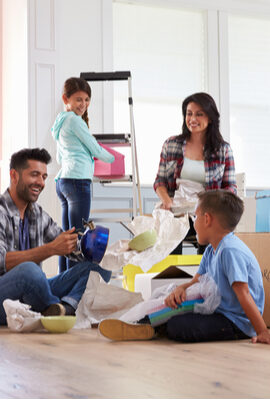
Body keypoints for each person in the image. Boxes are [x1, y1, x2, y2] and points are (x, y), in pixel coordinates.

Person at [98, 190, 270, 345]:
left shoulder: (230, 251)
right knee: (169, 300)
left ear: (207, 219)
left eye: (195, 217)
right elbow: (196, 280)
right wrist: (181, 288)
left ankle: (149, 326)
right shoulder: (212, 249)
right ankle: (141, 322)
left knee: (178, 326)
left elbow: (244, 293)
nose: (193, 224)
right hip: (220, 312)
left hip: (236, 323)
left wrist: (262, 331)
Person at [0, 148, 111, 325]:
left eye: (44, 177)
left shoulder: (36, 213)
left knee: (100, 268)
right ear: (14, 175)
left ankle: (63, 309)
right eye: (34, 175)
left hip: (33, 293)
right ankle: (54, 306)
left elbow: (67, 244)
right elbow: (1, 261)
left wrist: (96, 247)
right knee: (31, 271)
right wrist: (51, 249)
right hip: (4, 296)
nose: (40, 182)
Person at [153, 92, 237, 254]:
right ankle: (172, 278)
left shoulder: (223, 150)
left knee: (209, 249)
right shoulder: (171, 144)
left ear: (210, 118)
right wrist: (166, 201)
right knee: (168, 237)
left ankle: (206, 276)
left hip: (206, 213)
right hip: (176, 211)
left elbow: (230, 187)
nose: (192, 119)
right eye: (189, 113)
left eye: (199, 114)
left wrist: (214, 204)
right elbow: (160, 181)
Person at [52, 77, 115, 272]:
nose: (84, 104)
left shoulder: (61, 122)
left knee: (67, 238)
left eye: (87, 99)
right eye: (79, 99)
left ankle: (61, 284)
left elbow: (59, 157)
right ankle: (73, 290)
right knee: (78, 239)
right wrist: (113, 158)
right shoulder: (74, 120)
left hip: (63, 181)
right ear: (66, 99)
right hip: (78, 182)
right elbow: (96, 149)